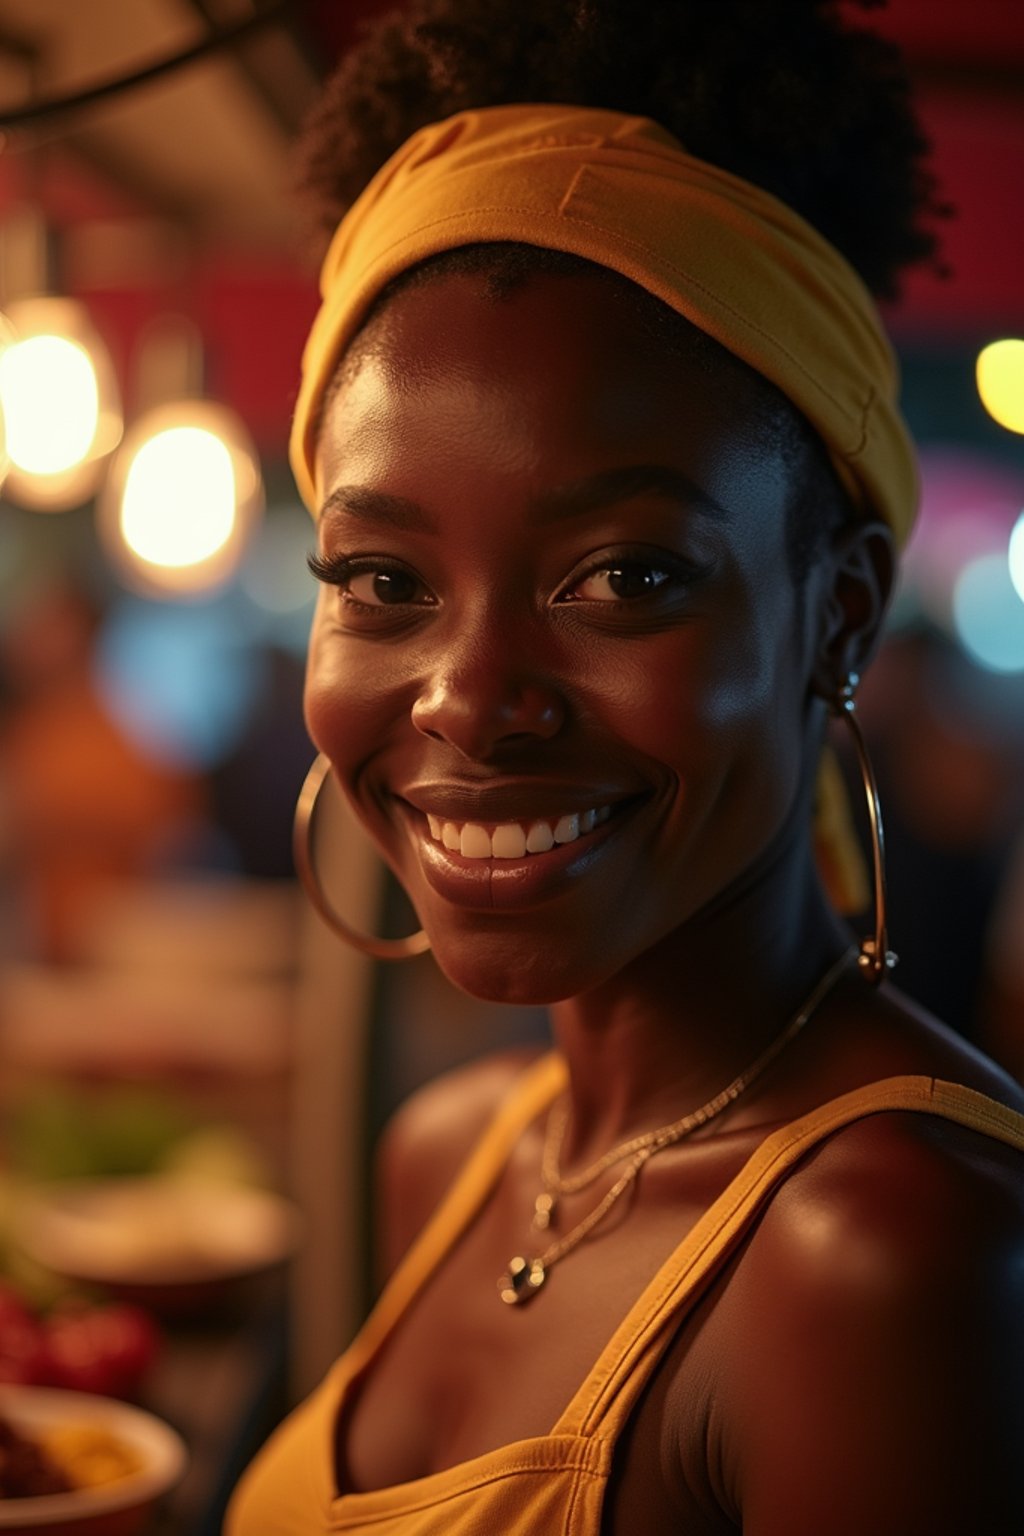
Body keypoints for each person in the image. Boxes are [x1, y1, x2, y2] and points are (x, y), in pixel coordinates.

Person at [226, 2, 1024, 1531]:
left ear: (837, 609)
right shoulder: (455, 1156)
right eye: (382, 583)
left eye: (626, 577)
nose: (468, 700)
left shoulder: (885, 1257)